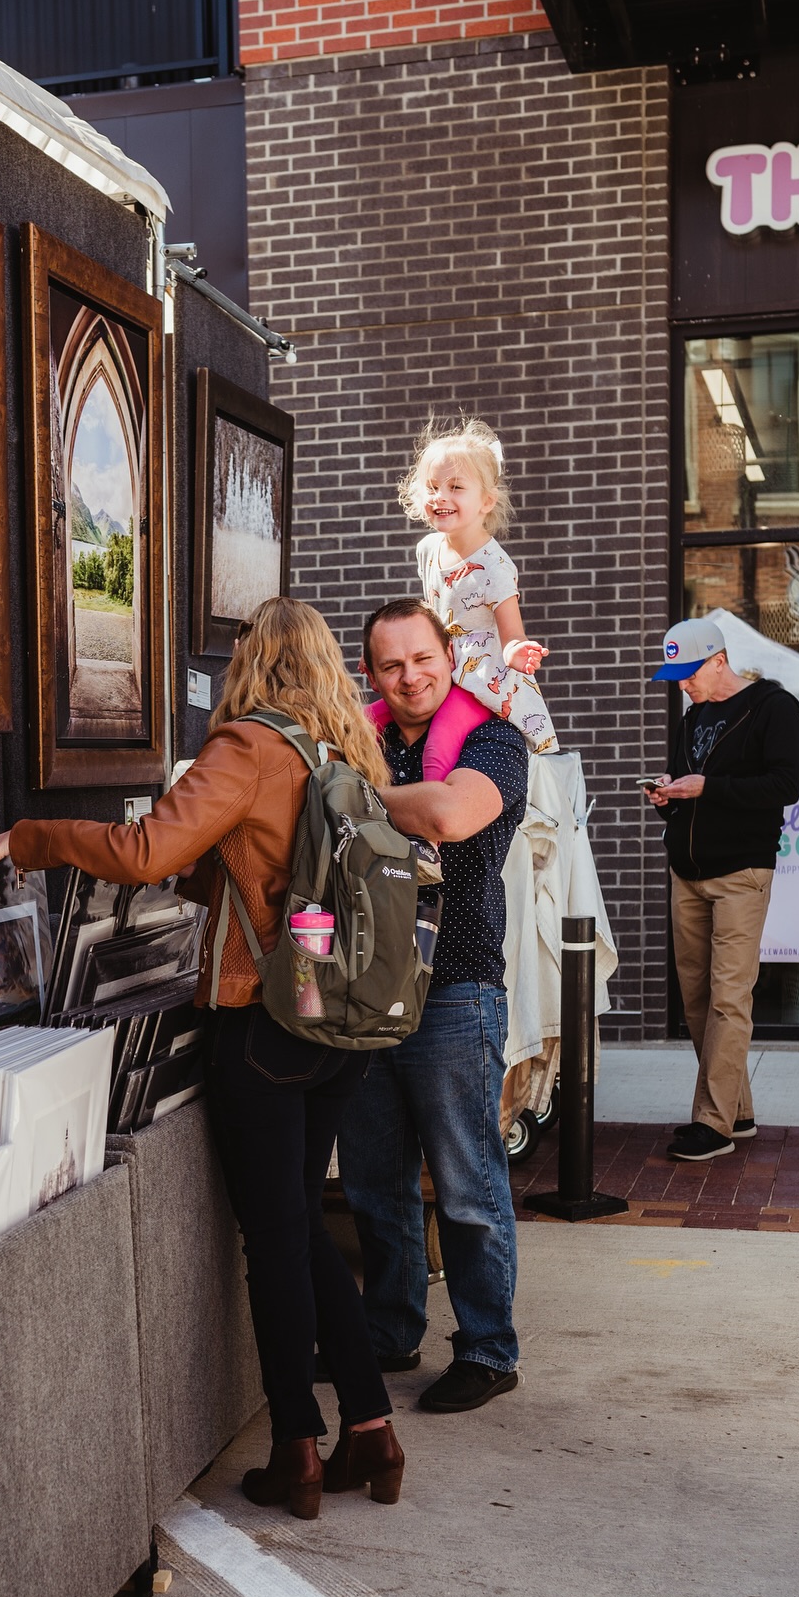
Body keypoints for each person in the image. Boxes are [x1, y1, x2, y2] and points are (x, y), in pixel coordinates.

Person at [0, 596, 404, 1518]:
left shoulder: (246, 746)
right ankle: (371, 1429)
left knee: (275, 1240)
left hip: (267, 1020)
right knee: (304, 1227)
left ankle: (298, 1450)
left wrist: (30, 837)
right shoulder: (348, 751)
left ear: (252, 665)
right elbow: (252, 865)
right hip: (341, 1024)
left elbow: (144, 847)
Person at [338, 597, 529, 1412]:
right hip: (366, 990)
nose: (410, 677)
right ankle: (390, 1332)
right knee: (376, 1184)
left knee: (465, 1187)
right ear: (370, 673)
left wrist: (357, 795)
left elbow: (451, 813)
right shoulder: (362, 736)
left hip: (456, 989)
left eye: (423, 659)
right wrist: (381, 791)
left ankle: (488, 1350)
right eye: (391, 666)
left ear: (448, 658)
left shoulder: (494, 736)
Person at [646, 617, 799, 1161]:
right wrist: (668, 790)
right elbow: (681, 777)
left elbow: (786, 785)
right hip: (686, 872)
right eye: (675, 675)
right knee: (697, 1001)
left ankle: (712, 1126)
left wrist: (707, 786)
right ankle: (738, 1111)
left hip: (740, 873)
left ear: (718, 659)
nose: (682, 684)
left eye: (688, 673)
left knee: (729, 1000)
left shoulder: (773, 708)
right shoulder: (694, 716)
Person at [368, 419, 557, 779]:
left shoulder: (496, 566)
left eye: (456, 487)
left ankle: (430, 829)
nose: (441, 496)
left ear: (487, 501)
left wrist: (516, 651)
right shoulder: (427, 549)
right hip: (441, 665)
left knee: (438, 745)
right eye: (433, 487)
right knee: (362, 721)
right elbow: (430, 616)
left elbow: (512, 632)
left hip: (480, 678)